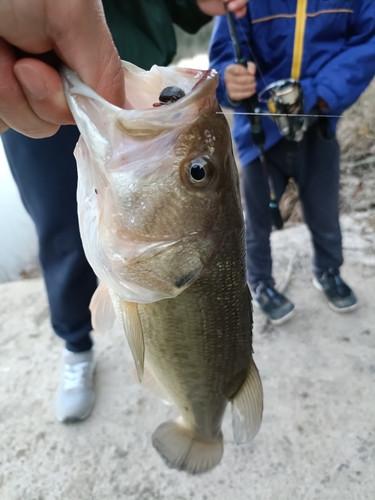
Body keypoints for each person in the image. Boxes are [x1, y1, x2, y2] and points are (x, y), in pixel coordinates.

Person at [0, 0, 248, 423]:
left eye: (198, 172)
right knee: (60, 232)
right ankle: (76, 346)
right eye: (197, 172)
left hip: (137, 72)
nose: (197, 170)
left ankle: (200, 422)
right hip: (43, 73)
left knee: (107, 232)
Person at [209, 2, 375, 325]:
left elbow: (368, 40)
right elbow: (223, 55)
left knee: (325, 212)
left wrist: (316, 93)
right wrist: (229, 83)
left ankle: (328, 271)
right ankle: (259, 283)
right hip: (258, 133)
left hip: (319, 126)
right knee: (255, 220)